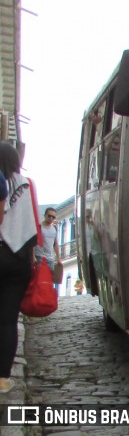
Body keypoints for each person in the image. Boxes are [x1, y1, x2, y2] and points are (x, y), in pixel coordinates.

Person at [0, 142, 39, 394]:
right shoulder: (25, 185)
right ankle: (2, 378)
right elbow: (30, 225)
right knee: (7, 320)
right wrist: (32, 258)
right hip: (18, 260)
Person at [34, 207, 62, 273]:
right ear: (45, 215)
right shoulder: (39, 227)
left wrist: (58, 259)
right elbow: (33, 242)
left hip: (50, 259)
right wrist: (33, 257)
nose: (51, 218)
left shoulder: (54, 228)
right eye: (49, 216)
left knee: (50, 280)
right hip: (39, 257)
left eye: (53, 217)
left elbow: (55, 244)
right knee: (40, 278)